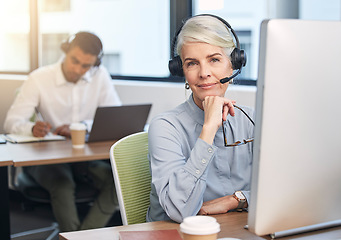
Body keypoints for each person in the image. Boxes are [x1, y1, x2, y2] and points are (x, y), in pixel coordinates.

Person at [4, 32, 121, 231]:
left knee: (118, 183)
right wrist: (32, 128)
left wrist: (82, 126)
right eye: (74, 61)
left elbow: (114, 117)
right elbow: (11, 122)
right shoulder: (39, 78)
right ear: (66, 51)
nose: (78, 69)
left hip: (84, 159)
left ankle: (82, 235)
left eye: (86, 66)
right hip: (47, 158)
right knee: (62, 185)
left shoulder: (99, 76)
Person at [147, 14, 255, 223]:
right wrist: (208, 129)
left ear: (233, 63)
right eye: (192, 63)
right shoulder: (165, 127)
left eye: (214, 59)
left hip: (234, 231)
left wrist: (235, 200)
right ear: (182, 71)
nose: (204, 73)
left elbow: (283, 189)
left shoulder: (251, 120)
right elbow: (180, 211)